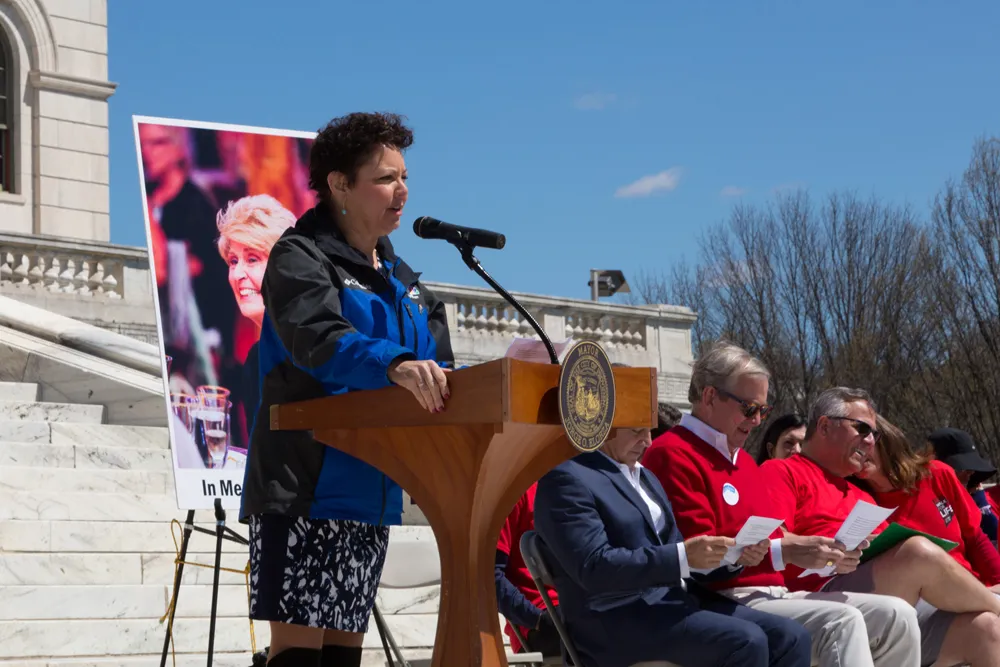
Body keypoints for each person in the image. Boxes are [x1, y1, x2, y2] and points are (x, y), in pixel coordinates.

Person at [239, 112, 456, 667]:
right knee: (298, 658)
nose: (402, 190)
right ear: (339, 184)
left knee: (342, 659)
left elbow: (440, 363)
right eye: (385, 178)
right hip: (305, 487)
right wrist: (395, 364)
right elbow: (318, 338)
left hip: (370, 494)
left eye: (404, 176)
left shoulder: (405, 281)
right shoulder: (299, 256)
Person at [644, 342, 920, 667]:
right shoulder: (673, 452)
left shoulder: (744, 462)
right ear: (709, 396)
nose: (757, 421)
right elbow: (700, 557)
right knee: (841, 622)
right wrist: (786, 551)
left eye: (763, 410)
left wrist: (823, 556)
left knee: (898, 615)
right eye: (749, 408)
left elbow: (771, 539)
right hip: (721, 599)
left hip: (775, 593)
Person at [534, 425, 813, 667]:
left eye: (649, 430)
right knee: (746, 641)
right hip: (615, 619)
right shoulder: (567, 479)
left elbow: (677, 551)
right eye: (637, 430)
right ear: (604, 428)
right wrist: (683, 556)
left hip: (674, 602)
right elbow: (594, 567)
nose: (647, 440)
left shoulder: (644, 476)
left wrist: (731, 556)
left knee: (791, 636)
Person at [760, 387, 1000, 667]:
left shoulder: (860, 493)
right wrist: (815, 547)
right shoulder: (782, 472)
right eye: (862, 429)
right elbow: (770, 540)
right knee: (917, 553)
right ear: (824, 426)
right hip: (815, 596)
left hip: (887, 604)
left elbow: (966, 538)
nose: (870, 441)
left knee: (985, 630)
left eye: (875, 434)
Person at [854, 414, 1000, 666]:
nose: (859, 454)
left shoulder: (937, 474)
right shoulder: (856, 499)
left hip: (972, 591)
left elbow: (975, 536)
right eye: (851, 449)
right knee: (989, 627)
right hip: (918, 607)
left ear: (886, 440)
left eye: (866, 444)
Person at [215, 194, 298, 440]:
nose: (237, 274)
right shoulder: (256, 360)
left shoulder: (317, 352)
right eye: (233, 261)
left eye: (252, 259)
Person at [495, 482, 561, 658]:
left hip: (583, 608)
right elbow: (488, 576)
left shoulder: (577, 483)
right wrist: (537, 619)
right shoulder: (511, 493)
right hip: (542, 620)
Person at [927, 428, 999, 544]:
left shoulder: (976, 498)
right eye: (963, 467)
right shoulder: (925, 501)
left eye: (972, 467)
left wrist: (979, 503)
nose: (972, 472)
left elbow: (991, 538)